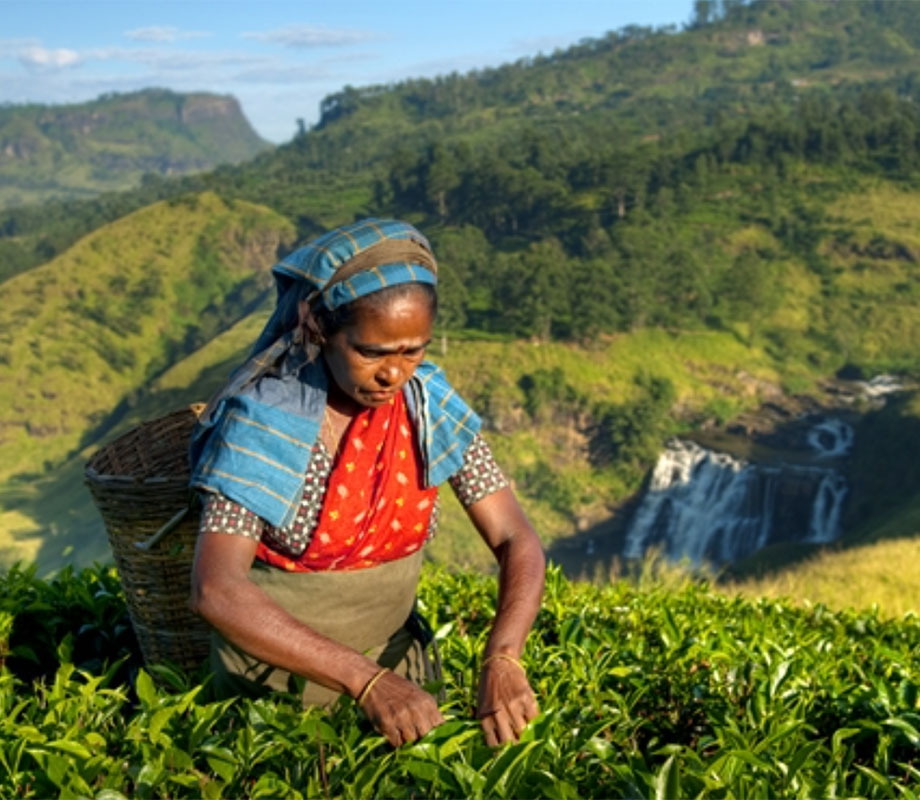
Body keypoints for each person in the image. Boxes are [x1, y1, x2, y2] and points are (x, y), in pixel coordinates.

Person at [188, 218, 545, 748]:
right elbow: (216, 590)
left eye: (412, 351)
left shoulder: (428, 405)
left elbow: (516, 539)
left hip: (403, 683)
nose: (393, 374)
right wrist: (365, 680)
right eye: (371, 352)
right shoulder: (265, 421)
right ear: (318, 327)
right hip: (271, 698)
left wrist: (503, 657)